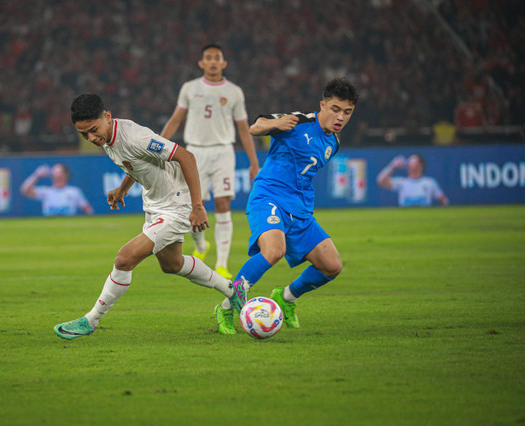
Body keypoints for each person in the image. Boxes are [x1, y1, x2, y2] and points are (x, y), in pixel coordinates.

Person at [54, 94, 247, 340]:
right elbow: (137, 163)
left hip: (177, 204)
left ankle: (90, 320)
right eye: (84, 135)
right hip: (156, 203)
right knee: (172, 265)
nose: (91, 138)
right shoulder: (109, 139)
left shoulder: (135, 137)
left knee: (124, 259)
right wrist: (123, 188)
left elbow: (186, 157)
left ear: (107, 116)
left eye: (93, 130)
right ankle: (234, 291)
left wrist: (197, 206)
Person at [212, 77, 359, 335]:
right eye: (335, 109)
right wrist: (276, 123)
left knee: (332, 266)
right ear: (322, 105)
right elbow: (255, 127)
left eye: (347, 112)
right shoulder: (299, 121)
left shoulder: (333, 143)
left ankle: (286, 297)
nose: (340, 117)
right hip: (269, 197)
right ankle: (225, 306)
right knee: (274, 250)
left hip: (300, 209)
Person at [161, 43, 260, 281]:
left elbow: (243, 128)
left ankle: (222, 264)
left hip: (223, 151)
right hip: (194, 152)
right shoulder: (190, 88)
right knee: (196, 205)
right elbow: (176, 119)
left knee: (223, 204)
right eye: (208, 58)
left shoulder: (234, 91)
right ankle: (202, 246)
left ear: (224, 63)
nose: (213, 61)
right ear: (201, 63)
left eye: (217, 58)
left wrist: (254, 162)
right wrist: (157, 145)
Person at [21, 163, 94, 216]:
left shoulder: (74, 192)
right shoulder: (46, 192)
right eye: (54, 171)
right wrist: (36, 175)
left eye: (59, 171)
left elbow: (87, 208)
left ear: (65, 174)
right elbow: (25, 190)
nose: (56, 174)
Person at [377, 154, 449, 207]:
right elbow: (380, 181)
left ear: (420, 165)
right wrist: (392, 166)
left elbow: (443, 199)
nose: (409, 163)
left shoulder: (430, 183)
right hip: (405, 217)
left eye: (412, 161)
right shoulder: (402, 182)